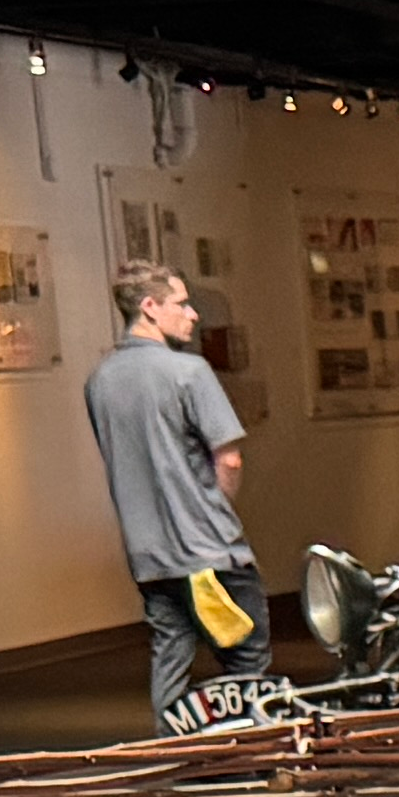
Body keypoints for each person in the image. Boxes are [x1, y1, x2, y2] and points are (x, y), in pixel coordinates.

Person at [84, 262, 261, 727]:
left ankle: (177, 755)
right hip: (210, 554)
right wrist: (216, 512)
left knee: (171, 658)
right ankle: (252, 761)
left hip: (150, 555)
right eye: (181, 303)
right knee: (247, 667)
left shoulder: (100, 381)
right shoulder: (189, 372)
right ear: (149, 307)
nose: (193, 314)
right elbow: (229, 458)